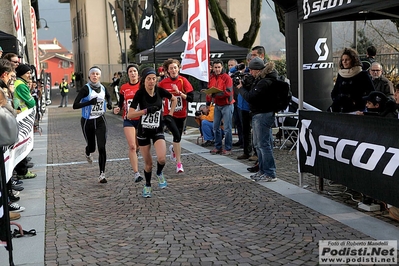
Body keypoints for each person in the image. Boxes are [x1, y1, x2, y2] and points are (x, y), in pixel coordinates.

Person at [127, 67, 177, 198]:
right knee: (148, 164)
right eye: (149, 79)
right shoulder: (140, 94)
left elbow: (174, 99)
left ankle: (159, 173)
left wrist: (170, 114)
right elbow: (130, 114)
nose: (151, 81)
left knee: (161, 158)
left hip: (157, 129)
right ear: (144, 81)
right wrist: (145, 111)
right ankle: (148, 185)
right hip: (143, 131)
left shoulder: (160, 91)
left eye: (154, 79)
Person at [237, 57, 277, 182]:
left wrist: (241, 88)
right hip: (259, 114)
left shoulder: (264, 82)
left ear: (257, 70)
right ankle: (263, 171)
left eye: (251, 70)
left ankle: (269, 173)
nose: (250, 73)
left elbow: (251, 97)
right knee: (259, 145)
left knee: (263, 145)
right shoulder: (261, 80)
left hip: (263, 115)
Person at [73, 66, 113, 183]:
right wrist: (89, 102)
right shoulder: (85, 89)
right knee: (92, 147)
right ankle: (87, 152)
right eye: (93, 74)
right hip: (87, 121)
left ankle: (102, 174)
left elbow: (109, 96)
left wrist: (109, 103)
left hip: (100, 120)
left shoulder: (103, 87)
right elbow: (75, 105)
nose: (95, 76)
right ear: (89, 76)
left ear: (99, 76)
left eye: (97, 74)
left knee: (102, 147)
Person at [158, 59, 194, 173]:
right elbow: (157, 96)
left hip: (181, 114)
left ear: (178, 68)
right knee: (176, 136)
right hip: (169, 115)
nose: (173, 70)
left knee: (178, 138)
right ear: (167, 71)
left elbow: (191, 98)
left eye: (175, 68)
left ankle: (173, 149)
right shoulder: (163, 83)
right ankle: (179, 163)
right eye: (171, 68)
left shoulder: (183, 81)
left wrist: (179, 93)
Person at [113, 64, 143, 183]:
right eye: (130, 71)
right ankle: (136, 173)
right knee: (132, 146)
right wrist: (117, 108)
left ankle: (135, 152)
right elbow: (121, 102)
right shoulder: (124, 87)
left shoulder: (143, 86)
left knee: (138, 145)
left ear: (138, 73)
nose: (133, 73)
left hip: (141, 120)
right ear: (128, 74)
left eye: (134, 71)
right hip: (128, 119)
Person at [330, 47, 375, 113]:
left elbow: (371, 92)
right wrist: (336, 99)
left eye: (347, 59)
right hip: (340, 109)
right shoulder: (341, 74)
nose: (344, 62)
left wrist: (359, 102)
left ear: (353, 60)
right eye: (342, 60)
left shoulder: (362, 74)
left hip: (356, 110)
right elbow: (335, 91)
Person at [206, 60, 234, 155]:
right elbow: (209, 92)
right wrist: (208, 103)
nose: (217, 69)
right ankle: (218, 147)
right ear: (213, 68)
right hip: (217, 105)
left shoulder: (227, 78)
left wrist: (215, 94)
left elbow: (228, 92)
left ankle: (228, 148)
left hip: (227, 104)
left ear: (222, 67)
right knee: (215, 127)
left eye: (219, 67)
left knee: (227, 128)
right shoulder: (211, 78)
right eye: (215, 67)